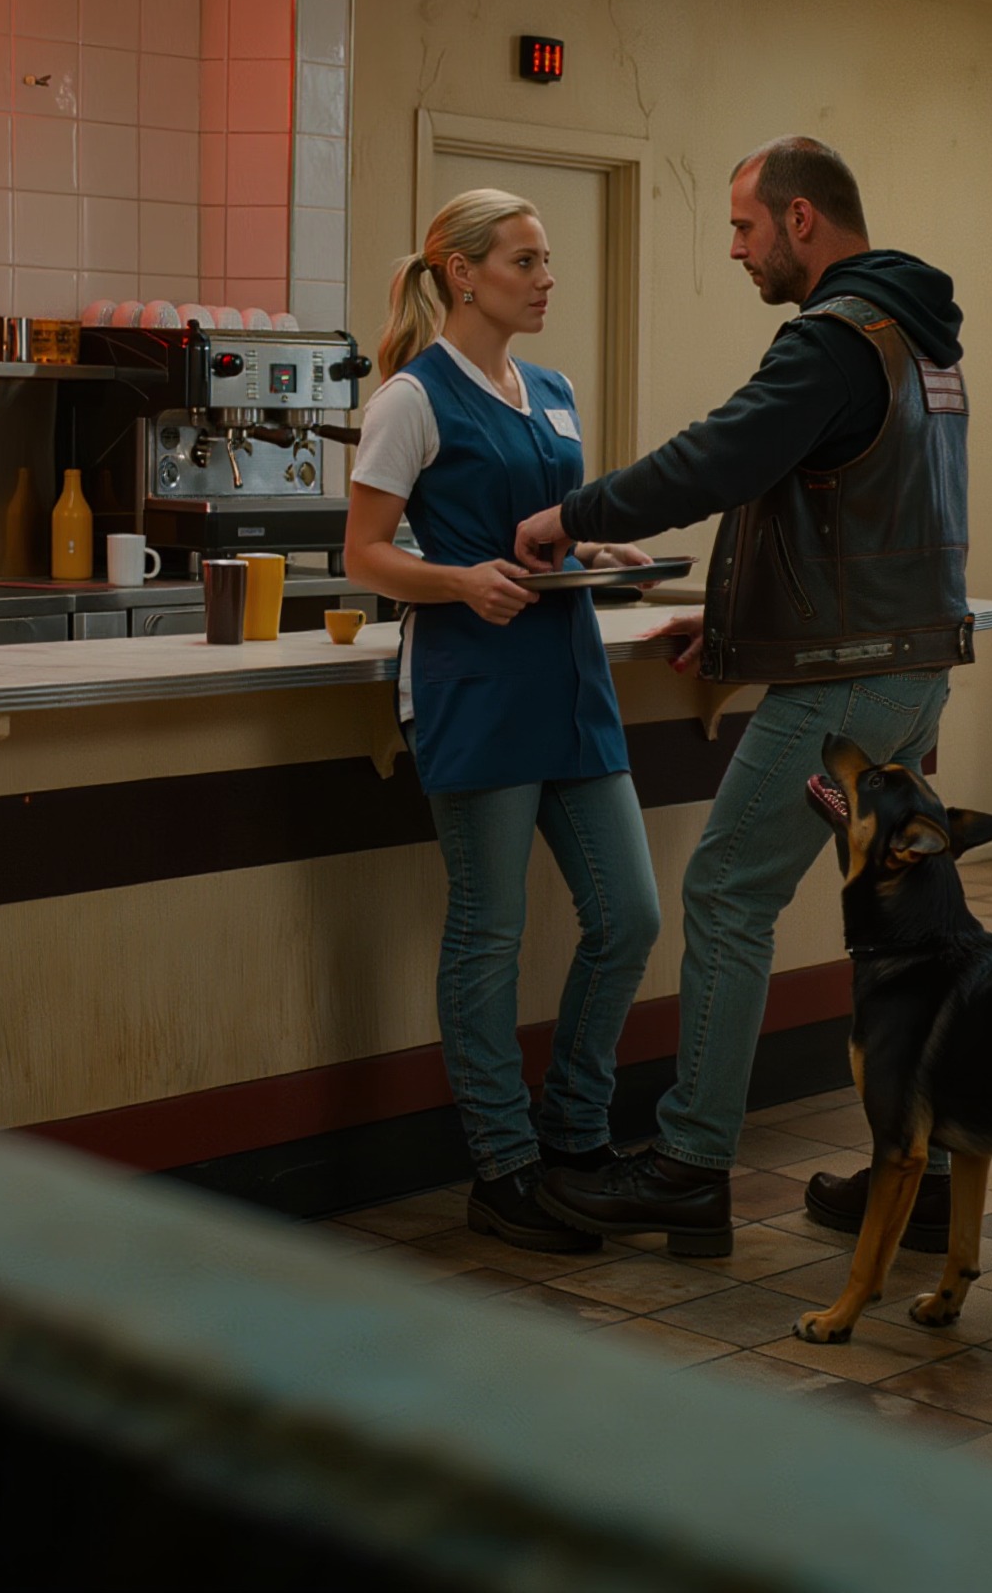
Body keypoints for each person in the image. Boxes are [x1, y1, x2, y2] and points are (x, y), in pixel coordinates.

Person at [514, 136, 970, 1258]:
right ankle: (926, 1177)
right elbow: (840, 503)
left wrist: (573, 514)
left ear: (802, 219)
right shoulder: (918, 333)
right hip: (909, 666)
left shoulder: (830, 336)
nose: (734, 249)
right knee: (904, 925)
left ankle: (686, 1165)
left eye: (742, 227)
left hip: (848, 681)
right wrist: (726, 625)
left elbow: (718, 459)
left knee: (723, 892)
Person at [344, 188, 662, 1254]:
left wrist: (595, 547)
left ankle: (575, 1131)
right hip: (473, 684)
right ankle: (505, 1164)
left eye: (545, 260)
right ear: (462, 271)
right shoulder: (408, 398)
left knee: (628, 915)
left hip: (568, 682)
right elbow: (366, 555)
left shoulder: (552, 390)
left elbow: (544, 528)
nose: (544, 279)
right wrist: (456, 582)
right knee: (487, 934)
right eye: (524, 260)